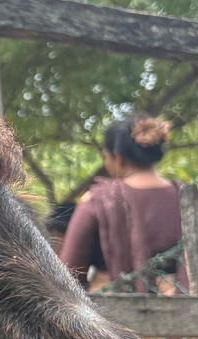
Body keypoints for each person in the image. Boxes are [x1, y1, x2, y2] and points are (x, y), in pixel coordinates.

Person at [59, 113, 183, 293]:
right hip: (180, 307)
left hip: (110, 312)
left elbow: (69, 273)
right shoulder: (188, 198)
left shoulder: (98, 201)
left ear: (118, 158)